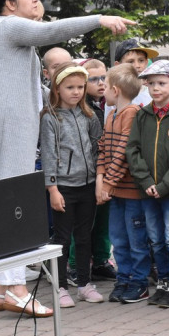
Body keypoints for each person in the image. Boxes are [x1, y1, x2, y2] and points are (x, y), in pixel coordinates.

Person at [0, 0, 131, 317]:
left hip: (9, 130)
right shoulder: (6, 26)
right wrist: (99, 19)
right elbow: (50, 33)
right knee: (13, 206)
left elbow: (28, 87)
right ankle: (15, 288)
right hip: (6, 132)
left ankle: (2, 287)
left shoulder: (7, 32)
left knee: (6, 205)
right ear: (10, 3)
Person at [126, 60, 169, 307]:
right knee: (155, 238)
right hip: (147, 191)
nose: (156, 88)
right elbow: (132, 150)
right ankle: (163, 281)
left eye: (162, 83)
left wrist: (164, 186)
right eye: (151, 83)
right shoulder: (143, 115)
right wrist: (146, 182)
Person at [40, 62, 104, 307]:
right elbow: (48, 154)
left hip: (87, 185)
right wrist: (53, 188)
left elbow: (98, 147)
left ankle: (84, 284)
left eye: (80, 87)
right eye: (70, 87)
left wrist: (98, 179)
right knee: (63, 239)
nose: (76, 92)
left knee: (85, 237)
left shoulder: (89, 114)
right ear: (57, 89)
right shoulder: (50, 118)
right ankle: (61, 287)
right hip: (63, 187)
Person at [97, 64, 148, 303]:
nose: (102, 90)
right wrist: (101, 178)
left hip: (131, 193)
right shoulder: (111, 114)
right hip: (115, 192)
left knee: (136, 240)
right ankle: (124, 278)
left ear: (115, 90)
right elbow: (103, 148)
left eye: (105, 86)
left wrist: (107, 182)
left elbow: (123, 152)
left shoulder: (132, 113)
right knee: (118, 239)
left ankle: (139, 282)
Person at [76, 58, 118, 282]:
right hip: (87, 172)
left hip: (106, 172)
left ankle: (101, 259)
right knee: (83, 222)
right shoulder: (81, 108)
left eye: (104, 78)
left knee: (104, 220)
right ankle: (74, 264)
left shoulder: (108, 104)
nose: (101, 83)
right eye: (94, 79)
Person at [112, 39, 158, 106]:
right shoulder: (113, 95)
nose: (137, 66)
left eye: (141, 60)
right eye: (130, 61)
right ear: (118, 65)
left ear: (146, 63)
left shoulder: (154, 94)